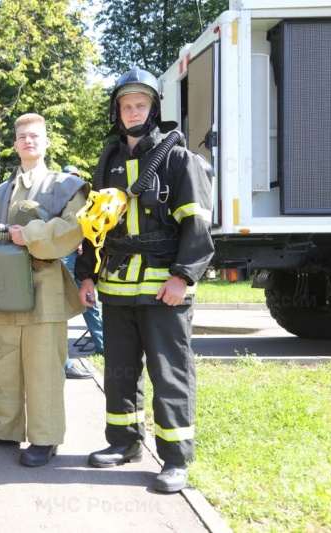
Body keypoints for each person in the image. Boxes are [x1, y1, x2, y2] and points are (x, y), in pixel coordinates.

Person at [75, 67, 214, 493]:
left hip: (162, 290)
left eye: (141, 104)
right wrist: (86, 276)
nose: (133, 111)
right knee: (119, 372)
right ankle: (124, 443)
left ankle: (175, 459)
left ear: (153, 109)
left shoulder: (178, 159)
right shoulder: (109, 162)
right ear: (117, 112)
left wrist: (183, 278)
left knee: (169, 373)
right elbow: (93, 228)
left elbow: (198, 227)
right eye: (126, 105)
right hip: (116, 288)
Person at [0, 113, 88, 467]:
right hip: (3, 289)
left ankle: (45, 438)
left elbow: (73, 229)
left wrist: (30, 235)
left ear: (47, 142)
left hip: (44, 287)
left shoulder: (65, 186)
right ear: (15, 144)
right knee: (3, 362)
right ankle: (3, 428)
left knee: (43, 367)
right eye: (22, 137)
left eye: (35, 136)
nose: (29, 141)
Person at [60, 165, 102, 380]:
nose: (73, 181)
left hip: (81, 258)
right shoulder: (57, 197)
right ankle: (64, 362)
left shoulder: (87, 199)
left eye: (76, 177)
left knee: (89, 301)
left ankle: (102, 343)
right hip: (64, 257)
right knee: (63, 307)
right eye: (69, 177)